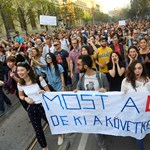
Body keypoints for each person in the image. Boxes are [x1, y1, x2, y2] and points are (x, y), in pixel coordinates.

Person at [77, 55, 109, 150]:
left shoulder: (101, 75)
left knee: (102, 124)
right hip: (90, 108)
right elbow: (79, 88)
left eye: (79, 65)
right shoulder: (82, 77)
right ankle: (102, 146)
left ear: (85, 66)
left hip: (100, 107)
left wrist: (105, 89)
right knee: (95, 129)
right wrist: (76, 91)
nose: (77, 67)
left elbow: (107, 88)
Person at [17, 62, 50, 150]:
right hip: (32, 108)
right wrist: (25, 98)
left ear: (27, 70)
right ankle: (44, 147)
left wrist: (44, 92)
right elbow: (20, 95)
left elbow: (49, 91)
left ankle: (60, 134)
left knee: (51, 123)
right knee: (38, 130)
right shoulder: (20, 83)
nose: (19, 72)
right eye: (18, 71)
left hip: (43, 106)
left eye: (22, 70)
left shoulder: (38, 79)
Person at [121, 60, 150, 150]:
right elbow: (121, 97)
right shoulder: (126, 81)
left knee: (140, 133)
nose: (137, 71)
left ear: (142, 69)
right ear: (131, 70)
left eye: (139, 68)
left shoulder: (147, 80)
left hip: (144, 112)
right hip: (133, 112)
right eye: (135, 69)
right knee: (138, 134)